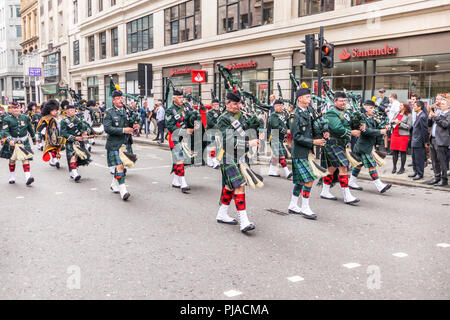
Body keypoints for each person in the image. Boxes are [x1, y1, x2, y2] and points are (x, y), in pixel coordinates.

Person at [215, 90, 260, 233]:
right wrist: (248, 144)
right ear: (227, 103)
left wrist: (251, 124)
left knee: (230, 186)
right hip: (227, 155)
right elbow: (228, 141)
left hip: (239, 156)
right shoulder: (223, 119)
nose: (237, 106)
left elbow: (241, 132)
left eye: (239, 103)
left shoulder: (239, 116)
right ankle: (244, 221)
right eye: (234, 104)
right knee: (239, 184)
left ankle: (222, 214)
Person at [288, 88, 327, 219]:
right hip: (299, 152)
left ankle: (293, 205)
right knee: (309, 179)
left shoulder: (309, 111)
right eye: (307, 97)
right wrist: (314, 142)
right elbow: (296, 136)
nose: (309, 99)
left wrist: (323, 132)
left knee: (300, 181)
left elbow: (314, 127)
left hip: (307, 152)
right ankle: (305, 207)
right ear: (299, 98)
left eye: (309, 97)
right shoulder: (294, 115)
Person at [320, 92, 361, 205]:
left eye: (344, 101)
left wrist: (359, 120)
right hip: (333, 143)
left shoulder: (346, 112)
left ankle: (325, 191)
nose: (343, 103)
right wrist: (351, 133)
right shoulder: (331, 112)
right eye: (341, 101)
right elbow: (338, 128)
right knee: (343, 166)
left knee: (332, 168)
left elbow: (352, 123)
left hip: (341, 144)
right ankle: (347, 196)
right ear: (335, 101)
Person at [103, 89, 140, 200]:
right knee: (119, 166)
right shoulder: (109, 112)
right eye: (118, 98)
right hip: (115, 144)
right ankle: (123, 191)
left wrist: (136, 125)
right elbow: (108, 128)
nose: (121, 100)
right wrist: (123, 130)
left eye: (121, 98)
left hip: (126, 143)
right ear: (114, 100)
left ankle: (114, 185)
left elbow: (133, 122)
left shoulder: (127, 111)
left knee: (122, 167)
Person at [348, 100, 392, 193]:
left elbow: (377, 126)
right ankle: (380, 186)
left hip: (366, 146)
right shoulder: (361, 118)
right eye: (371, 108)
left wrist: (384, 126)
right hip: (363, 147)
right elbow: (365, 131)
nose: (373, 110)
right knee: (372, 166)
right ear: (365, 108)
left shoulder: (372, 118)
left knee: (358, 165)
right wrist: (380, 131)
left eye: (373, 108)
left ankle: (351, 182)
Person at [165, 89, 197, 193]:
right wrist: (185, 130)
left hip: (185, 138)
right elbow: (170, 126)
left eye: (182, 97)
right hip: (175, 138)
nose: (181, 99)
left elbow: (190, 119)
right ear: (173, 98)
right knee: (180, 159)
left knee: (180, 160)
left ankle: (175, 180)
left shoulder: (186, 108)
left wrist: (194, 122)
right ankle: (183, 182)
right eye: (179, 97)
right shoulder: (170, 111)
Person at [0, 102, 36, 185]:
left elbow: (30, 128)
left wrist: (34, 138)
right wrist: (9, 140)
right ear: (11, 109)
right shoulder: (7, 119)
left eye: (17, 108)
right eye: (14, 108)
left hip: (24, 141)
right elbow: (5, 131)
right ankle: (12, 177)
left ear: (20, 108)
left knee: (25, 158)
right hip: (13, 141)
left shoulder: (26, 117)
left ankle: (28, 178)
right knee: (12, 160)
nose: (16, 109)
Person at [60, 104, 92, 182]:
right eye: (70, 110)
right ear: (66, 112)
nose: (72, 112)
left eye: (73, 110)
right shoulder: (64, 121)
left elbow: (86, 128)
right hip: (70, 142)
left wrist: (85, 133)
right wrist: (74, 138)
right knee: (72, 156)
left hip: (79, 142)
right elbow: (63, 133)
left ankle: (72, 170)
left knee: (77, 157)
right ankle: (75, 174)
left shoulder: (79, 120)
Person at [427, 96, 449, 186]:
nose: (441, 105)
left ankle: (444, 180)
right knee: (434, 160)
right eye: (441, 104)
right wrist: (430, 117)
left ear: (448, 106)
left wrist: (436, 117)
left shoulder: (448, 114)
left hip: (441, 140)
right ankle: (437, 177)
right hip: (433, 139)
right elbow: (430, 124)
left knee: (442, 161)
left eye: (443, 104)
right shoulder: (439, 112)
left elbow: (445, 124)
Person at [268, 99, 292, 179]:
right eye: (279, 105)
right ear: (275, 107)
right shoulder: (273, 115)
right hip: (274, 136)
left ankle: (271, 171)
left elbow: (288, 124)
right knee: (281, 154)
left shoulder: (284, 115)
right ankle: (287, 172)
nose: (281, 107)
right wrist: (286, 131)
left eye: (282, 105)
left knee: (276, 155)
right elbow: (275, 126)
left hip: (280, 137)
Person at [36, 100, 63, 168]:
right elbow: (39, 128)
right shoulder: (45, 118)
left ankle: (53, 160)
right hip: (49, 136)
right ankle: (55, 160)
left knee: (57, 148)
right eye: (53, 110)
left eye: (55, 110)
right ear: (49, 110)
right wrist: (39, 131)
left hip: (59, 136)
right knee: (52, 148)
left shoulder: (60, 117)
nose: (55, 112)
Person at [390, 101, 412, 174]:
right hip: (395, 134)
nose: (400, 106)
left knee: (402, 152)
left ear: (405, 107)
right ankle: (394, 167)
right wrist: (392, 121)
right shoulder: (397, 113)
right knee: (394, 151)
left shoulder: (409, 115)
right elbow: (392, 121)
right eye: (400, 105)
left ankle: (402, 168)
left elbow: (409, 126)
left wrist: (400, 123)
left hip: (403, 136)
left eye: (401, 105)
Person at [408, 100, 428, 180]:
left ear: (419, 107)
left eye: (415, 106)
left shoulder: (422, 116)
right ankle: (415, 171)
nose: (413, 107)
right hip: (414, 139)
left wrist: (425, 142)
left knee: (419, 158)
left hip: (419, 141)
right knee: (414, 157)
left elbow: (424, 130)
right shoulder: (418, 115)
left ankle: (420, 173)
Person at [205, 99, 221, 169]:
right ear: (212, 105)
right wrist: (218, 127)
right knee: (212, 146)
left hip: (218, 132)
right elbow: (210, 123)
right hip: (211, 131)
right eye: (215, 105)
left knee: (218, 147)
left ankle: (211, 161)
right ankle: (214, 161)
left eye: (217, 104)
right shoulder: (209, 113)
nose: (216, 106)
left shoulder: (220, 112)